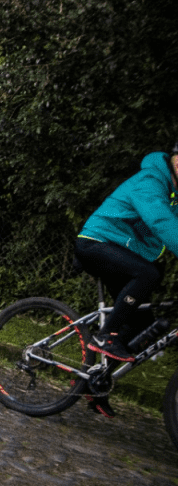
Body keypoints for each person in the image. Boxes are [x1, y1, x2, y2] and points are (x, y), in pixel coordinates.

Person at [75, 147, 178, 365]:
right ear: (173, 159)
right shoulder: (150, 182)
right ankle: (105, 336)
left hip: (122, 251)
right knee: (148, 274)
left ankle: (96, 384)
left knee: (140, 323)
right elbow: (162, 222)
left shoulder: (174, 194)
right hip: (97, 243)